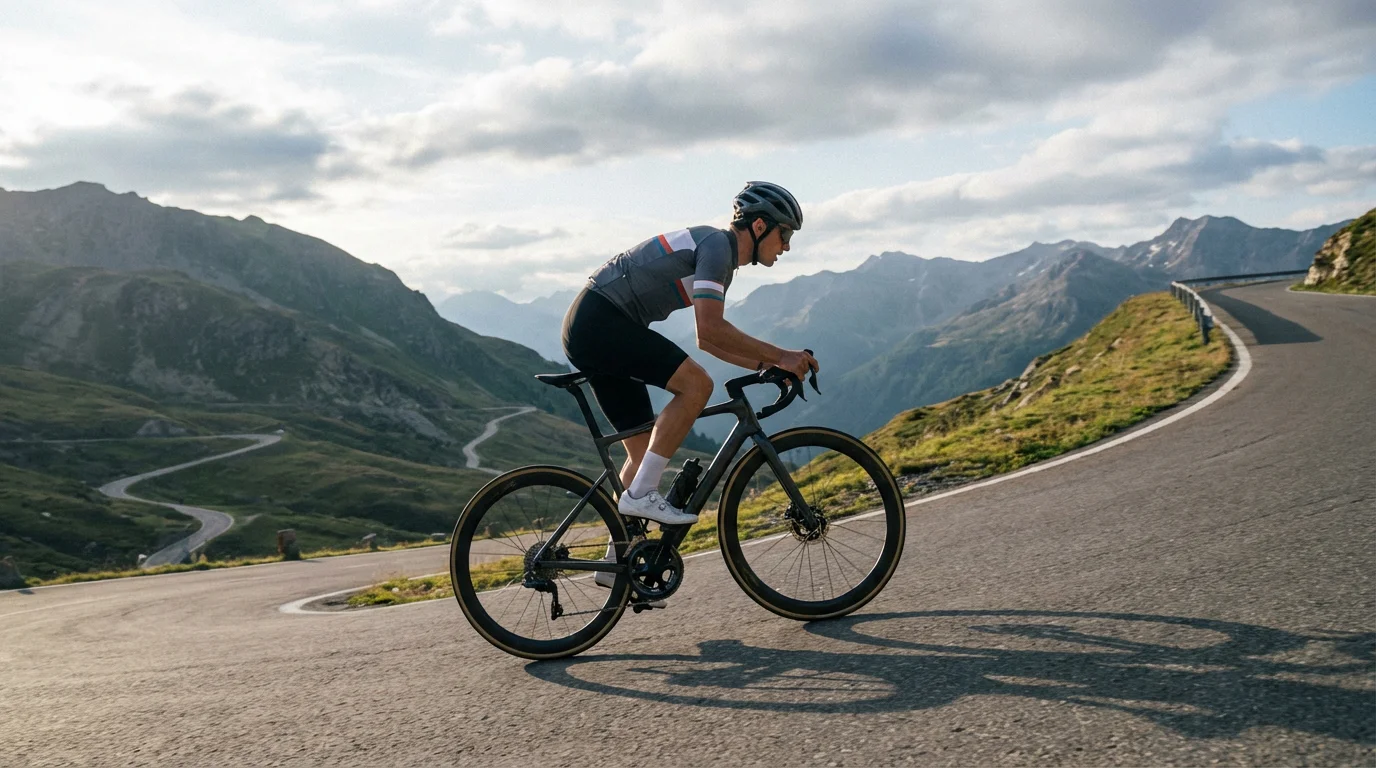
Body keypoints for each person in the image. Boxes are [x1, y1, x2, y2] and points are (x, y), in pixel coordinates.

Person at [561, 181, 819, 534]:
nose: (787, 246)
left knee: (642, 456)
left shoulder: (721, 258)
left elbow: (706, 340)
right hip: (601, 322)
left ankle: (620, 559)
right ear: (759, 227)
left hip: (594, 325)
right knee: (698, 385)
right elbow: (711, 328)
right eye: (784, 234)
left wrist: (769, 364)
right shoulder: (716, 246)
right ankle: (641, 497)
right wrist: (783, 356)